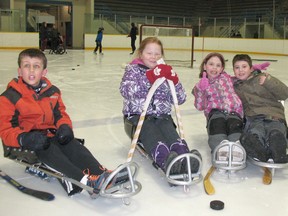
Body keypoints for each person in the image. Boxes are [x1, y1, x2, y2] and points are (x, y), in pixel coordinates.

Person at [0, 48, 127, 197]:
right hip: (26, 142)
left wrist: (64, 127)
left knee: (72, 145)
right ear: (20, 71)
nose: (31, 70)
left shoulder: (52, 92)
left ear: (44, 72)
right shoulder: (9, 97)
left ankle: (101, 173)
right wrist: (23, 138)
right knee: (48, 149)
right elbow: (5, 129)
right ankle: (86, 181)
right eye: (26, 65)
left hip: (49, 135)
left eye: (36, 66)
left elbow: (61, 114)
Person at [120, 37, 201, 175]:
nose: (153, 57)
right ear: (141, 54)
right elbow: (126, 91)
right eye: (149, 53)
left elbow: (180, 99)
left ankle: (186, 159)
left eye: (157, 53)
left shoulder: (165, 71)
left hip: (163, 117)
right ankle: (166, 162)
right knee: (153, 134)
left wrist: (175, 81)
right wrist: (149, 77)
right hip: (139, 118)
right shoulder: (132, 70)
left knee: (172, 137)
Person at [232, 54, 288, 163]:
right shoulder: (235, 86)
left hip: (274, 115)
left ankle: (278, 150)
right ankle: (260, 151)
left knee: (275, 131)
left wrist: (269, 81)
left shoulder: (263, 78)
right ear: (233, 70)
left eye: (244, 66)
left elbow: (285, 94)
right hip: (254, 118)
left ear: (251, 68)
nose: (241, 70)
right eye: (237, 67)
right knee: (255, 133)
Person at [192, 52, 244, 154]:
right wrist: (201, 90)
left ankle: (236, 147)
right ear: (205, 66)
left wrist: (254, 70)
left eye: (218, 65)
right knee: (217, 124)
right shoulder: (200, 85)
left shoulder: (226, 77)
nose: (214, 68)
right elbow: (200, 106)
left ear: (222, 69)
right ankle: (220, 148)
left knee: (234, 126)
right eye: (211, 64)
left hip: (234, 111)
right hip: (216, 113)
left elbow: (241, 76)